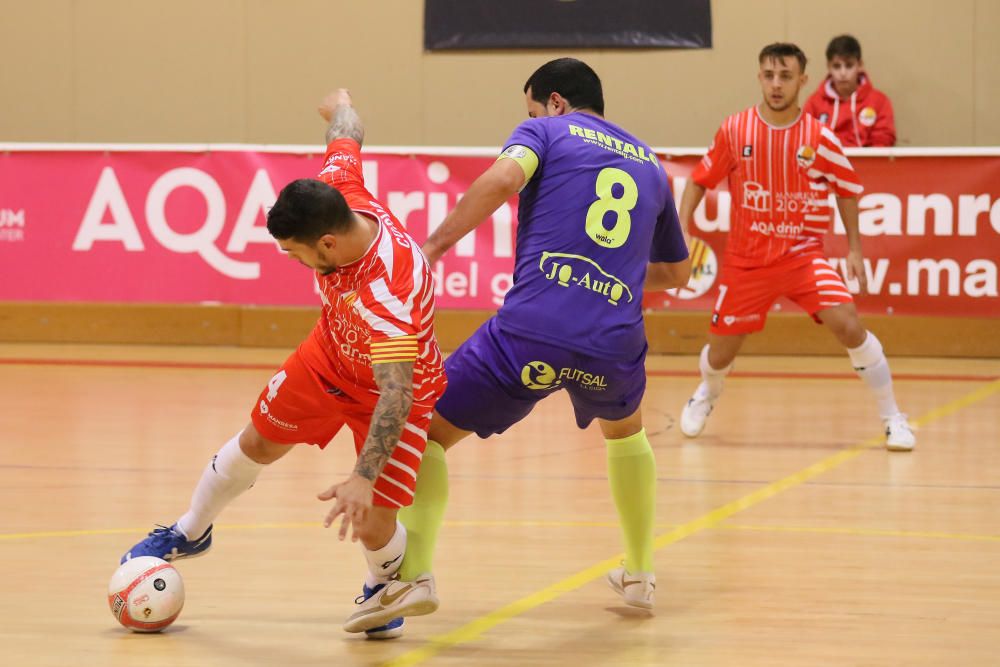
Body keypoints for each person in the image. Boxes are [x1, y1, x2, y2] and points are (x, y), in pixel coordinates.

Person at [345, 57, 691, 635]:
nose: (526, 117)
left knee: (428, 431)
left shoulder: (546, 132)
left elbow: (505, 179)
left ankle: (415, 576)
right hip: (614, 339)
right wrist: (620, 274)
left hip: (533, 330)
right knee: (626, 433)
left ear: (554, 102)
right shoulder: (652, 165)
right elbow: (676, 274)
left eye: (530, 107)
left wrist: (432, 248)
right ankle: (639, 573)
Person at [120, 89, 447, 640]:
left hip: (396, 390)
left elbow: (397, 394)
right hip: (329, 358)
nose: (293, 262)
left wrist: (362, 476)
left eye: (294, 253)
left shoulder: (387, 291)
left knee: (371, 519)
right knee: (257, 442)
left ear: (326, 243)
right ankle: (190, 531)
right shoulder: (341, 190)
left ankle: (383, 589)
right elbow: (347, 132)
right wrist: (340, 106)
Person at [676, 43, 915, 451]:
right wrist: (681, 231)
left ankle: (893, 417)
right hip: (746, 263)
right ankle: (706, 393)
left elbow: (847, 189)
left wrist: (854, 249)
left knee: (849, 325)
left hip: (802, 257)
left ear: (803, 81)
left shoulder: (820, 138)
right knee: (719, 355)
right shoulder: (735, 130)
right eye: (769, 75)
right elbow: (699, 179)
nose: (776, 84)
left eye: (785, 76)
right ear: (759, 77)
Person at [803, 34, 896, 147]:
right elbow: (806, 140)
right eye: (837, 66)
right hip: (825, 163)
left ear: (860, 65)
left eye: (849, 66)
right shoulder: (814, 103)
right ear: (828, 67)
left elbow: (883, 141)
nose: (843, 73)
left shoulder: (880, 101)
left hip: (867, 164)